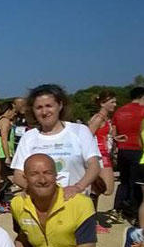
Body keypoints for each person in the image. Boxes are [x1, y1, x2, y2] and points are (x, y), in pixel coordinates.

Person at [12, 154, 109, 247]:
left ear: (57, 175)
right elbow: (24, 237)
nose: (42, 180)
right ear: (25, 178)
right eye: (34, 174)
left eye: (48, 173)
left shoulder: (80, 204)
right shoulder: (17, 204)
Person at [11, 84, 101, 201]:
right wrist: (38, 190)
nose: (44, 111)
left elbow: (94, 165)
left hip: (75, 201)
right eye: (39, 107)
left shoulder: (80, 130)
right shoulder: (29, 137)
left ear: (60, 106)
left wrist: (77, 187)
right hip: (42, 203)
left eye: (49, 106)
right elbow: (18, 175)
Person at [110, 87, 144, 221]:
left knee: (124, 181)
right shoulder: (142, 110)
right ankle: (133, 212)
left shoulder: (119, 111)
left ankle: (117, 209)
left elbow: (114, 133)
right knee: (136, 183)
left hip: (122, 150)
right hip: (138, 149)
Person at [87, 90, 117, 232]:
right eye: (112, 102)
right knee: (106, 188)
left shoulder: (106, 119)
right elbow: (87, 137)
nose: (115, 105)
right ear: (102, 103)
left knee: (101, 189)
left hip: (105, 154)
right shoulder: (98, 118)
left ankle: (92, 219)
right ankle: (91, 220)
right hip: (99, 156)